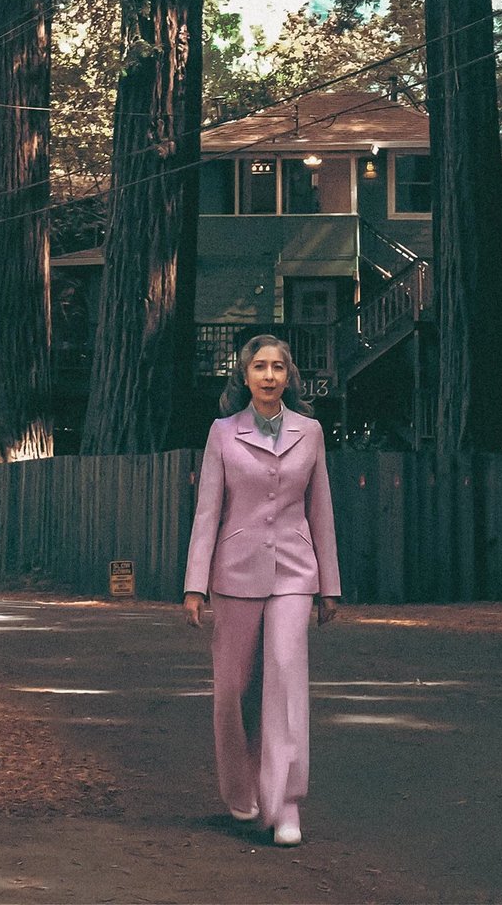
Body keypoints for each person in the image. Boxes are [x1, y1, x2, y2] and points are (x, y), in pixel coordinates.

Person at [183, 333, 341, 847]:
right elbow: (207, 512)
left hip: (296, 572)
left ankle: (286, 803)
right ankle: (242, 790)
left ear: (289, 375)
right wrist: (195, 585)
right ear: (244, 376)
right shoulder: (222, 434)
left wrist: (329, 586)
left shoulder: (311, 432)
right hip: (234, 574)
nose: (269, 376)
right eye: (259, 368)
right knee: (233, 689)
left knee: (287, 676)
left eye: (278, 367)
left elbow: (322, 510)